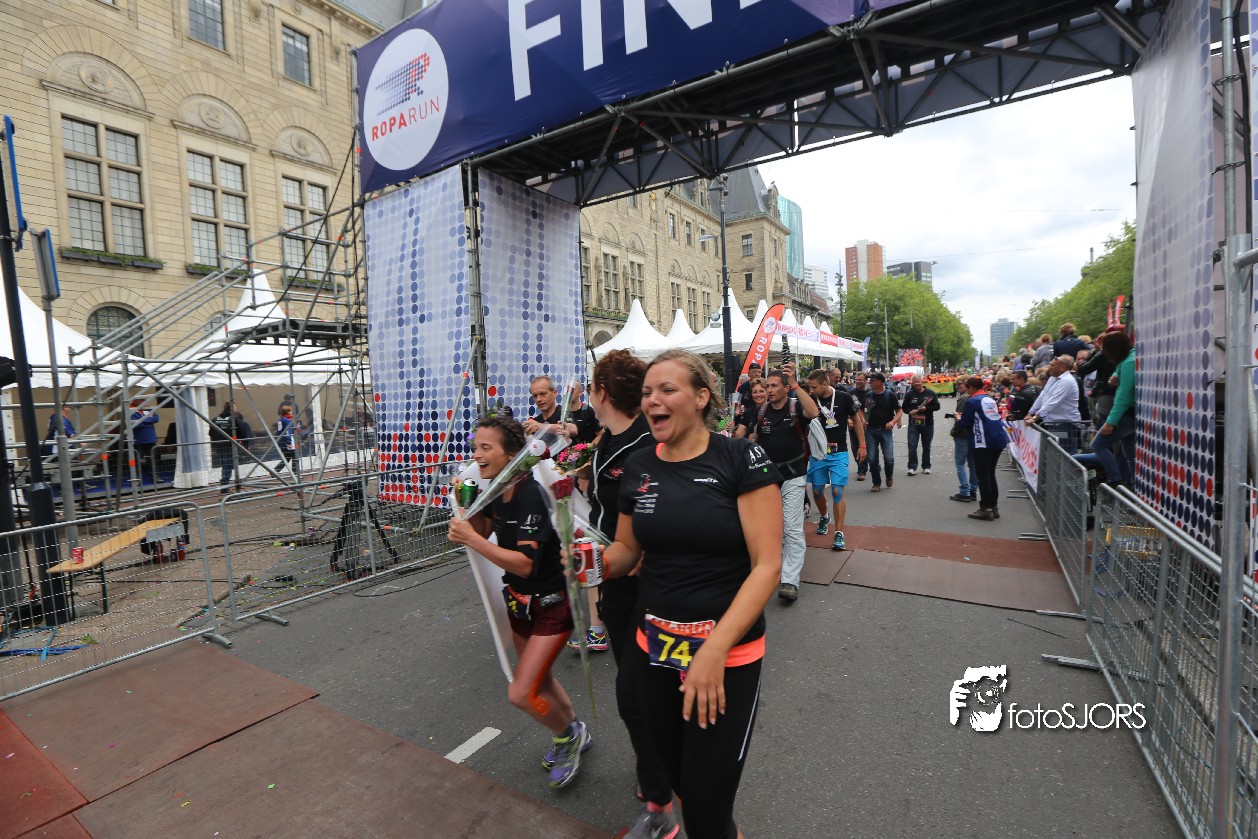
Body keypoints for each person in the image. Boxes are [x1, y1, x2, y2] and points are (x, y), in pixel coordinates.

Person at [601, 348, 782, 839]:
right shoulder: (639, 466)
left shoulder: (740, 458)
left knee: (706, 807)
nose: (651, 400)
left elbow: (767, 566)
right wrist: (593, 562)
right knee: (680, 780)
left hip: (725, 657)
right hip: (655, 650)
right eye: (646, 393)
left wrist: (714, 651)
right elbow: (626, 549)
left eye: (667, 390)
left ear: (701, 398)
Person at [448, 414, 590, 789]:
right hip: (519, 603)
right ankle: (575, 727)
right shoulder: (496, 487)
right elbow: (482, 531)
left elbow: (525, 564)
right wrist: (465, 507)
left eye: (485, 448)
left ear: (511, 455)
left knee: (521, 693)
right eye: (475, 447)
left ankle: (567, 737)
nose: (476, 455)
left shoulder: (529, 493)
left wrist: (471, 539)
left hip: (552, 604)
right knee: (540, 681)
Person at [580, 350, 677, 838]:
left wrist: (643, 547)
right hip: (614, 579)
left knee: (635, 695)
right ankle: (657, 770)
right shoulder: (607, 439)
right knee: (635, 685)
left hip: (649, 583)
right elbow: (604, 503)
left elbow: (670, 504)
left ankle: (662, 796)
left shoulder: (647, 442)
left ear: (601, 392)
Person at [747, 363, 818, 603]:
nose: (768, 390)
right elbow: (752, 439)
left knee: (792, 528)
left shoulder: (795, 407)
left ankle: (790, 581)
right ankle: (769, 570)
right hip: (767, 479)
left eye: (774, 386)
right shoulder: (761, 411)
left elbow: (814, 412)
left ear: (786, 388)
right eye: (767, 386)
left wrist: (795, 383)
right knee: (769, 529)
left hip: (794, 476)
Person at [805, 370, 865, 551]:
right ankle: (824, 516)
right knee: (817, 491)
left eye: (814, 387)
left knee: (838, 491)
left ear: (825, 384)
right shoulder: (810, 400)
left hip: (839, 452)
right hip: (818, 453)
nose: (811, 390)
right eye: (810, 387)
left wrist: (862, 445)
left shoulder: (843, 397)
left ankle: (839, 532)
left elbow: (856, 420)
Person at [956, 376, 1009, 521]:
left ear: (972, 388)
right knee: (990, 474)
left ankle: (986, 508)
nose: (967, 391)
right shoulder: (989, 399)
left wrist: (957, 418)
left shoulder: (972, 400)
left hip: (983, 442)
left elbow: (965, 423)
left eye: (968, 388)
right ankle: (993, 506)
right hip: (997, 439)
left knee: (983, 476)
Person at [1091, 330, 1137, 487]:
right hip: (1130, 414)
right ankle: (1132, 485)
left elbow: (1123, 397)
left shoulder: (1129, 363)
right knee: (1130, 453)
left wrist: (1110, 422)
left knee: (1097, 445)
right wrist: (1116, 374)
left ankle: (1116, 480)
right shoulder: (1130, 358)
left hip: (1126, 414)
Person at [1024, 355, 1082, 453]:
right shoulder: (1053, 378)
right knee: (1054, 453)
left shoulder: (1067, 381)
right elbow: (1043, 396)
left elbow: (1052, 402)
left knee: (1065, 453)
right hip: (1053, 423)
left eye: (1052, 365)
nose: (1049, 367)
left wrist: (1035, 418)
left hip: (1064, 425)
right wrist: (1030, 413)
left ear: (1062, 367)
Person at [862, 372, 902, 492]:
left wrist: (893, 422)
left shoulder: (890, 395)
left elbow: (899, 411)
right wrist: (863, 419)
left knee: (889, 458)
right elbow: (862, 410)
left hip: (885, 430)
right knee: (872, 458)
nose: (870, 382)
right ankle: (876, 483)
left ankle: (889, 475)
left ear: (880, 382)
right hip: (871, 430)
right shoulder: (869, 395)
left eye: (872, 380)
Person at [900, 374, 940, 476]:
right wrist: (909, 412)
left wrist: (926, 409)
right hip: (914, 424)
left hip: (928, 423)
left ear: (922, 382)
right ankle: (912, 467)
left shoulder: (930, 393)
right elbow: (904, 408)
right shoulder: (909, 394)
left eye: (918, 382)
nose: (917, 384)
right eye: (915, 382)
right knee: (912, 445)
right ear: (912, 383)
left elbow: (937, 406)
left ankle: (926, 466)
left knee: (926, 446)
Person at [947, 378, 978, 502]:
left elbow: (960, 418)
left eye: (959, 384)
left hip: (963, 434)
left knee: (960, 463)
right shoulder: (975, 397)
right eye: (956, 385)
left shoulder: (965, 398)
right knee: (972, 463)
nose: (957, 387)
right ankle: (973, 490)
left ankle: (965, 491)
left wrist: (955, 429)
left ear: (967, 384)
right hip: (973, 434)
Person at [211, 402, 253, 493]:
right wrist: (246, 445)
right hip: (230, 446)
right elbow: (243, 432)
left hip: (219, 446)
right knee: (228, 465)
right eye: (235, 408)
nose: (236, 409)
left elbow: (210, 432)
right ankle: (225, 486)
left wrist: (215, 444)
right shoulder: (234, 419)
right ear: (233, 408)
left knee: (226, 465)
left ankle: (233, 483)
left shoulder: (215, 419)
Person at [128, 399, 160, 483]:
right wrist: (148, 421)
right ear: (136, 402)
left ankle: (155, 477)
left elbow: (156, 418)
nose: (145, 403)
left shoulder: (148, 410)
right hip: (138, 440)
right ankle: (137, 478)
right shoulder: (131, 411)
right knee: (137, 460)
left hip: (151, 438)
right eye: (142, 401)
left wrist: (143, 420)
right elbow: (136, 424)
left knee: (152, 459)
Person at [848, 371, 870, 481]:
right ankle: (860, 464)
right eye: (856, 379)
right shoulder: (850, 393)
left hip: (866, 425)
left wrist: (867, 420)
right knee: (854, 447)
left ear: (865, 381)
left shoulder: (870, 393)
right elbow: (847, 409)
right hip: (854, 425)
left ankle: (862, 470)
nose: (858, 381)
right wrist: (848, 419)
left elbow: (870, 409)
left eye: (860, 379)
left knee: (864, 446)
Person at [276, 406, 298, 470]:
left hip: (282, 442)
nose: (292, 413)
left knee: (287, 458)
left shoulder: (280, 420)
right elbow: (288, 431)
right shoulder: (287, 420)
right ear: (287, 412)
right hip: (290, 442)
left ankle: (275, 470)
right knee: (296, 456)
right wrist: (289, 443)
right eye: (290, 411)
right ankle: (295, 473)